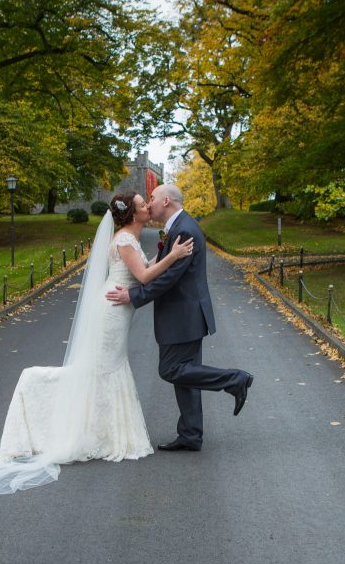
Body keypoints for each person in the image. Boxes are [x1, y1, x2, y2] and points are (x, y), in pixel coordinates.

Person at [0, 192, 194, 494]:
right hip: (112, 311)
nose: (148, 206)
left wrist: (164, 253)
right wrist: (173, 256)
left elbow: (142, 269)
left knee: (105, 367)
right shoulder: (124, 240)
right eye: (142, 204)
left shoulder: (128, 238)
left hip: (118, 309)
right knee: (101, 368)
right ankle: (35, 387)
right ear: (134, 215)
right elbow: (145, 277)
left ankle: (103, 432)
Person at [105, 184, 252, 452]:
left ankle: (235, 379)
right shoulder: (178, 227)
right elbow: (163, 268)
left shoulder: (183, 229)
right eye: (146, 201)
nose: (150, 204)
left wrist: (135, 296)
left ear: (167, 201)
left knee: (171, 370)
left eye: (152, 198)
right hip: (186, 314)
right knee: (186, 375)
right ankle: (191, 434)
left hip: (183, 315)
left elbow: (169, 279)